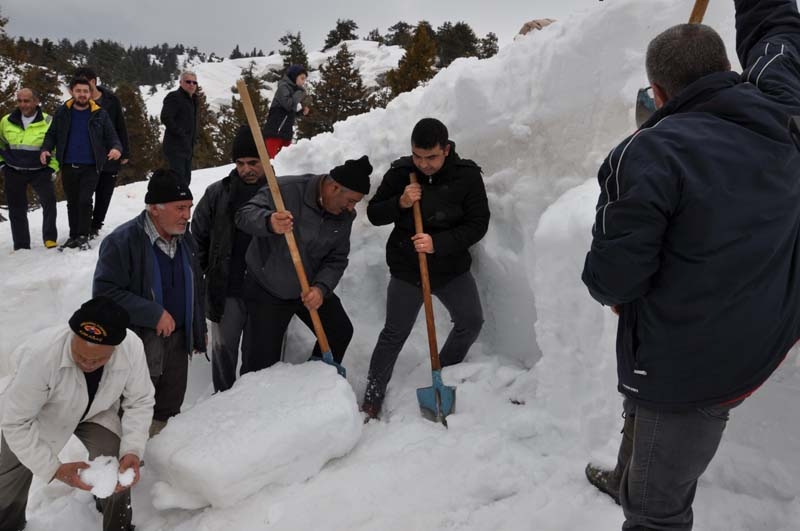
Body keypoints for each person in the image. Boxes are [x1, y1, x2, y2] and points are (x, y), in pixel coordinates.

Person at [581, 1, 800, 529]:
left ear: (657, 95)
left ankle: (645, 496)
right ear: (728, 69)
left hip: (693, 367)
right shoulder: (784, 107)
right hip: (769, 329)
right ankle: (628, 471)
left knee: (656, 512)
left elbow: (613, 279)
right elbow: (777, 29)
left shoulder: (646, 154)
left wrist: (614, 291)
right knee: (643, 402)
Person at [361, 118, 489, 419]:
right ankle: (373, 394)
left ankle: (443, 373)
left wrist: (438, 243)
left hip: (450, 267)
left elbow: (478, 224)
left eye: (431, 157)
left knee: (471, 322)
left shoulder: (467, 176)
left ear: (446, 150)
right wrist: (401, 202)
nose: (424, 164)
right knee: (395, 332)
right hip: (408, 267)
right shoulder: (401, 173)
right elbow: (374, 214)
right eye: (418, 156)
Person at [0, 296, 154, 531]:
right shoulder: (40, 355)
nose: (88, 363)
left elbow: (140, 400)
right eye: (80, 355)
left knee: (114, 456)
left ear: (115, 348)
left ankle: (118, 525)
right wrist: (54, 469)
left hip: (95, 410)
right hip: (40, 414)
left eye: (98, 359)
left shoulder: (131, 347)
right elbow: (15, 422)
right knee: (10, 473)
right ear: (72, 336)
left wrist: (133, 449)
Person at [93, 169, 206, 436]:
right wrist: (152, 313)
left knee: (169, 408)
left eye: (189, 207)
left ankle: (159, 454)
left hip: (178, 341)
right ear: (155, 208)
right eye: (180, 208)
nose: (187, 215)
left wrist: (197, 328)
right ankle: (127, 454)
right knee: (135, 406)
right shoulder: (122, 242)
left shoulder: (185, 239)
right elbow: (104, 294)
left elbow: (195, 286)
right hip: (140, 342)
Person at [234, 156, 371, 373]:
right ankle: (257, 393)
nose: (351, 208)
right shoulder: (286, 190)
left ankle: (315, 380)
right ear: (334, 187)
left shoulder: (344, 215)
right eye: (351, 200)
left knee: (339, 330)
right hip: (268, 288)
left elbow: (336, 258)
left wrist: (321, 288)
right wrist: (269, 221)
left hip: (308, 287)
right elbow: (244, 215)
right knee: (260, 363)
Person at [192, 126, 266, 392]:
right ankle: (222, 399)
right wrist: (205, 274)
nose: (246, 169)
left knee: (259, 356)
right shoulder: (217, 193)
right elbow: (197, 237)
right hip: (226, 289)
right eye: (240, 163)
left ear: (265, 159)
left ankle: (252, 402)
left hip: (265, 291)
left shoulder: (279, 193)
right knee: (224, 352)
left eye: (253, 162)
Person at [40, 76, 122, 250]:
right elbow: (51, 134)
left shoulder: (100, 113)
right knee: (72, 202)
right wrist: (46, 149)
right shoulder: (62, 112)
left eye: (85, 91)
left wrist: (116, 148)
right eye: (78, 91)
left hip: (91, 166)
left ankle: (83, 235)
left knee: (85, 200)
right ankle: (73, 235)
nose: (82, 94)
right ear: (72, 91)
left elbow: (112, 136)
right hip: (68, 164)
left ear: (90, 93)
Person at [74, 66, 130, 238]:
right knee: (84, 193)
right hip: (86, 156)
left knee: (104, 193)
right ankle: (83, 225)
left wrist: (124, 151)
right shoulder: (77, 102)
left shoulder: (111, 100)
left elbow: (120, 125)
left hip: (110, 153)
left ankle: (96, 225)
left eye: (85, 82)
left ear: (93, 81)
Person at [0, 88, 59, 250]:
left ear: (36, 101)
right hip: (13, 171)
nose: (22, 105)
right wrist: (2, 165)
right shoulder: (6, 121)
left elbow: (58, 148)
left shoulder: (48, 121)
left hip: (40, 171)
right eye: (19, 101)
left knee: (49, 204)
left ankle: (50, 238)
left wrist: (51, 168)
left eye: (26, 101)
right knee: (16, 209)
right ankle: (21, 244)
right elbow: (1, 144)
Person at [262, 64, 309, 159]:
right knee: (272, 161)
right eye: (302, 78)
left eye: (304, 79)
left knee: (286, 161)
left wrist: (301, 113)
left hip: (286, 134)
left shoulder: (295, 90)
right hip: (275, 132)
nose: (303, 82)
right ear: (294, 76)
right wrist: (299, 93)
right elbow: (288, 105)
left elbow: (288, 114)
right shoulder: (283, 87)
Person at [160, 71, 198, 185]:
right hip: (175, 147)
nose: (191, 84)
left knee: (186, 180)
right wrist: (181, 134)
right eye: (188, 81)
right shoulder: (174, 97)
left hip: (187, 147)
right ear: (181, 82)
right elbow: (166, 117)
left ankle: (181, 197)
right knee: (177, 181)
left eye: (194, 82)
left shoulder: (193, 100)